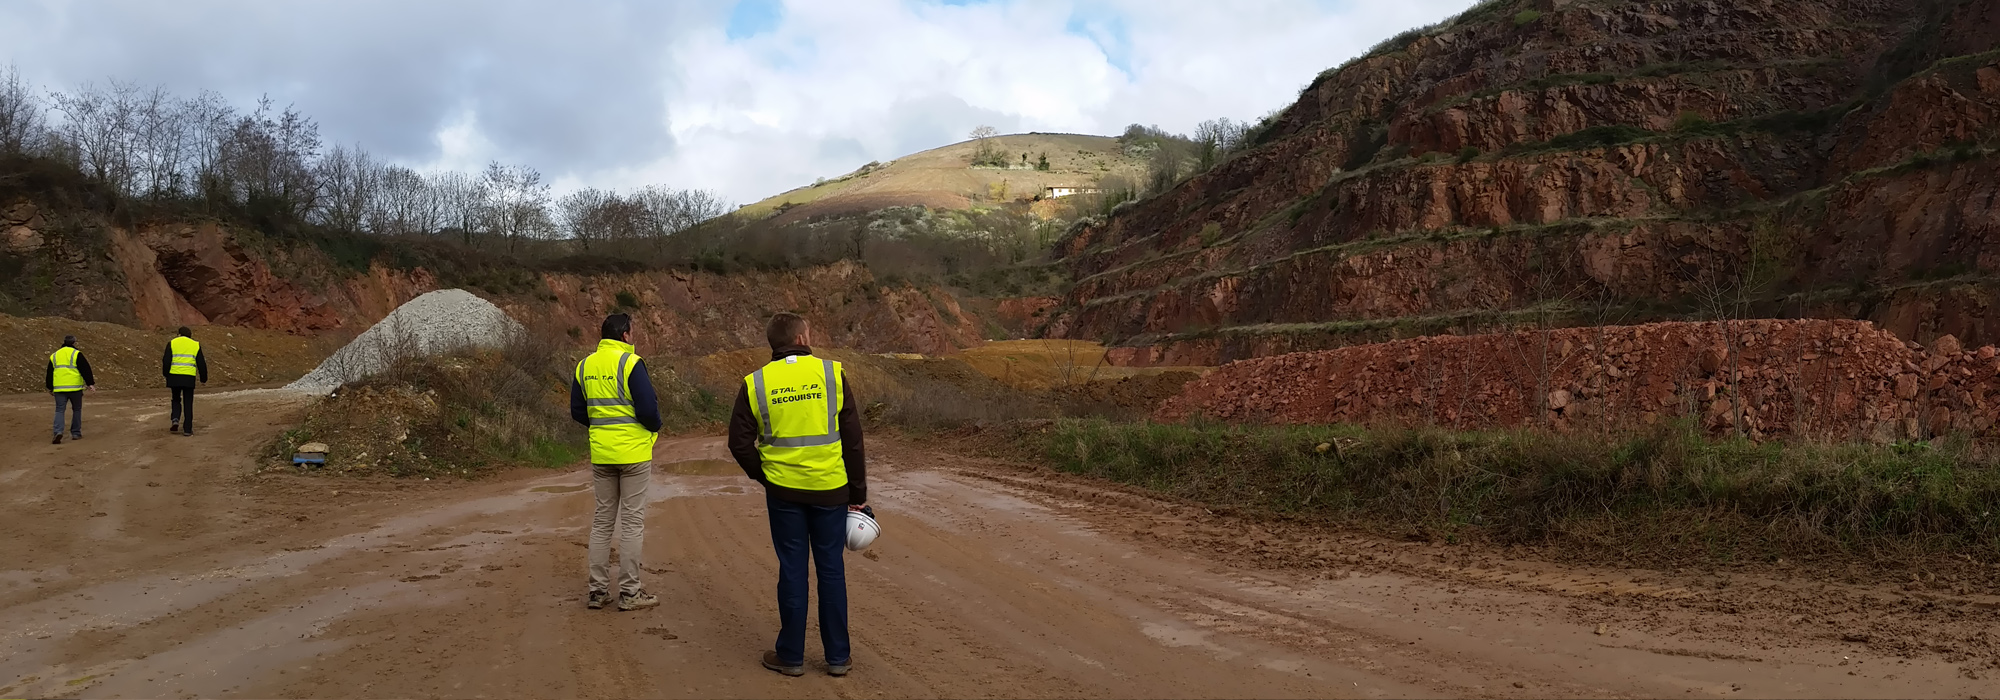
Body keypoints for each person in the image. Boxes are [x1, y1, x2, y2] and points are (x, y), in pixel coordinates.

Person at [729, 312, 867, 678]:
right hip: (831, 490)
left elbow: (739, 443)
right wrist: (859, 493)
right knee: (831, 570)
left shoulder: (756, 383)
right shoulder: (832, 374)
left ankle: (790, 655)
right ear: (803, 339)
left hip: (784, 493)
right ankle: (838, 657)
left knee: (792, 570)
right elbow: (852, 440)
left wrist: (767, 477)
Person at [569, 313, 663, 612]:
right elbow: (648, 409)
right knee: (632, 522)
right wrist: (653, 427)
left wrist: (602, 427)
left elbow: (577, 410)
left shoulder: (585, 365)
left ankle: (597, 592)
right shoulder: (631, 364)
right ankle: (630, 593)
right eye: (632, 332)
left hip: (602, 453)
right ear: (624, 335)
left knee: (602, 522)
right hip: (633, 452)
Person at [47, 335, 95, 444]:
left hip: (59, 389)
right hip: (75, 389)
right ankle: (76, 433)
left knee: (59, 410)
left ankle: (58, 432)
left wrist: (50, 387)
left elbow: (50, 372)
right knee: (76, 410)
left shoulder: (55, 355)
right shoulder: (76, 354)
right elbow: (85, 369)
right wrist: (90, 383)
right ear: (74, 343)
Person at [162, 327, 207, 436]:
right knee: (188, 402)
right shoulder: (195, 345)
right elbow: (201, 363)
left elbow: (166, 360)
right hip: (189, 378)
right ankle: (187, 429)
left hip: (174, 376)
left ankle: (175, 418)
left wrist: (166, 374)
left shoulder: (172, 343)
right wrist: (203, 378)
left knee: (176, 399)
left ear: (179, 334)